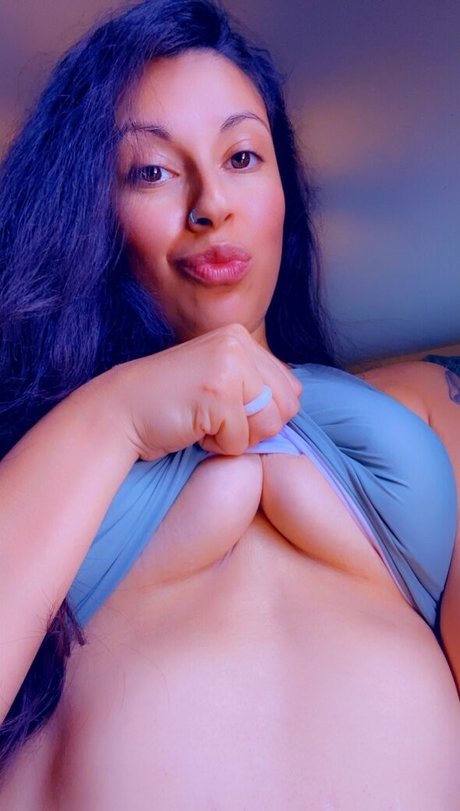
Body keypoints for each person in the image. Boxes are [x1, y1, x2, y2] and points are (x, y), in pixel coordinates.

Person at [0, 0, 459, 806]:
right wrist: (117, 413)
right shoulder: (36, 448)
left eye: (243, 155)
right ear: (87, 211)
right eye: (151, 171)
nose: (211, 202)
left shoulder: (421, 399)